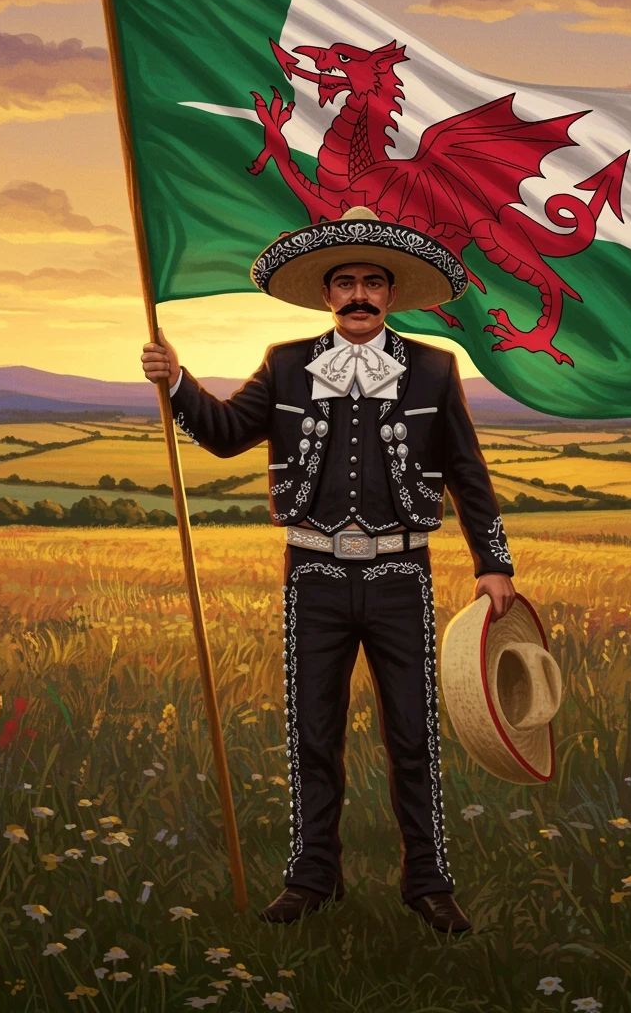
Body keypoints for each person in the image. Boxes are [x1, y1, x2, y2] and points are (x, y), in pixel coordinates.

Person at [141, 208, 516, 932]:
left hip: (401, 575)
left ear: (392, 294)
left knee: (413, 732)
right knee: (314, 730)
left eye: (373, 282)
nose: (359, 294)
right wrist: (179, 380)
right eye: (344, 282)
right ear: (326, 294)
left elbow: (468, 472)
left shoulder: (434, 367)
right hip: (311, 575)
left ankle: (428, 881)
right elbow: (221, 435)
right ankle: (314, 876)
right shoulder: (285, 363)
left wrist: (493, 563)